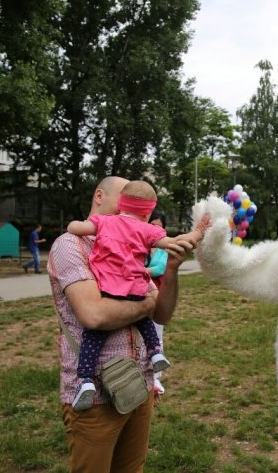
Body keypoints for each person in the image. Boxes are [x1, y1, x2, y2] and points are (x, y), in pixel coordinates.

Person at [48, 176, 204, 472]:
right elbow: (95, 316)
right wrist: (145, 303)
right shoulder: (70, 246)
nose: (129, 211)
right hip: (93, 397)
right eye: (124, 199)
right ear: (99, 196)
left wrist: (171, 268)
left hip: (139, 386)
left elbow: (163, 315)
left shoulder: (133, 241)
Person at [66, 180, 205, 410]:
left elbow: (75, 228)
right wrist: (198, 233)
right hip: (137, 287)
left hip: (109, 288)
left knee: (93, 337)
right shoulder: (149, 230)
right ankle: (156, 352)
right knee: (143, 317)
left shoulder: (105, 222)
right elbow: (174, 243)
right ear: (149, 211)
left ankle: (85, 380)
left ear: (122, 204)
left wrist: (76, 223)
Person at [146, 210, 169, 395]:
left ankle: (155, 377)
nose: (155, 229)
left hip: (157, 296)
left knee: (156, 335)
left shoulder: (164, 248)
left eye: (159, 226)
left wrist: (137, 270)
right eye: (152, 224)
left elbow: (160, 268)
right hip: (137, 296)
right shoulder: (139, 244)